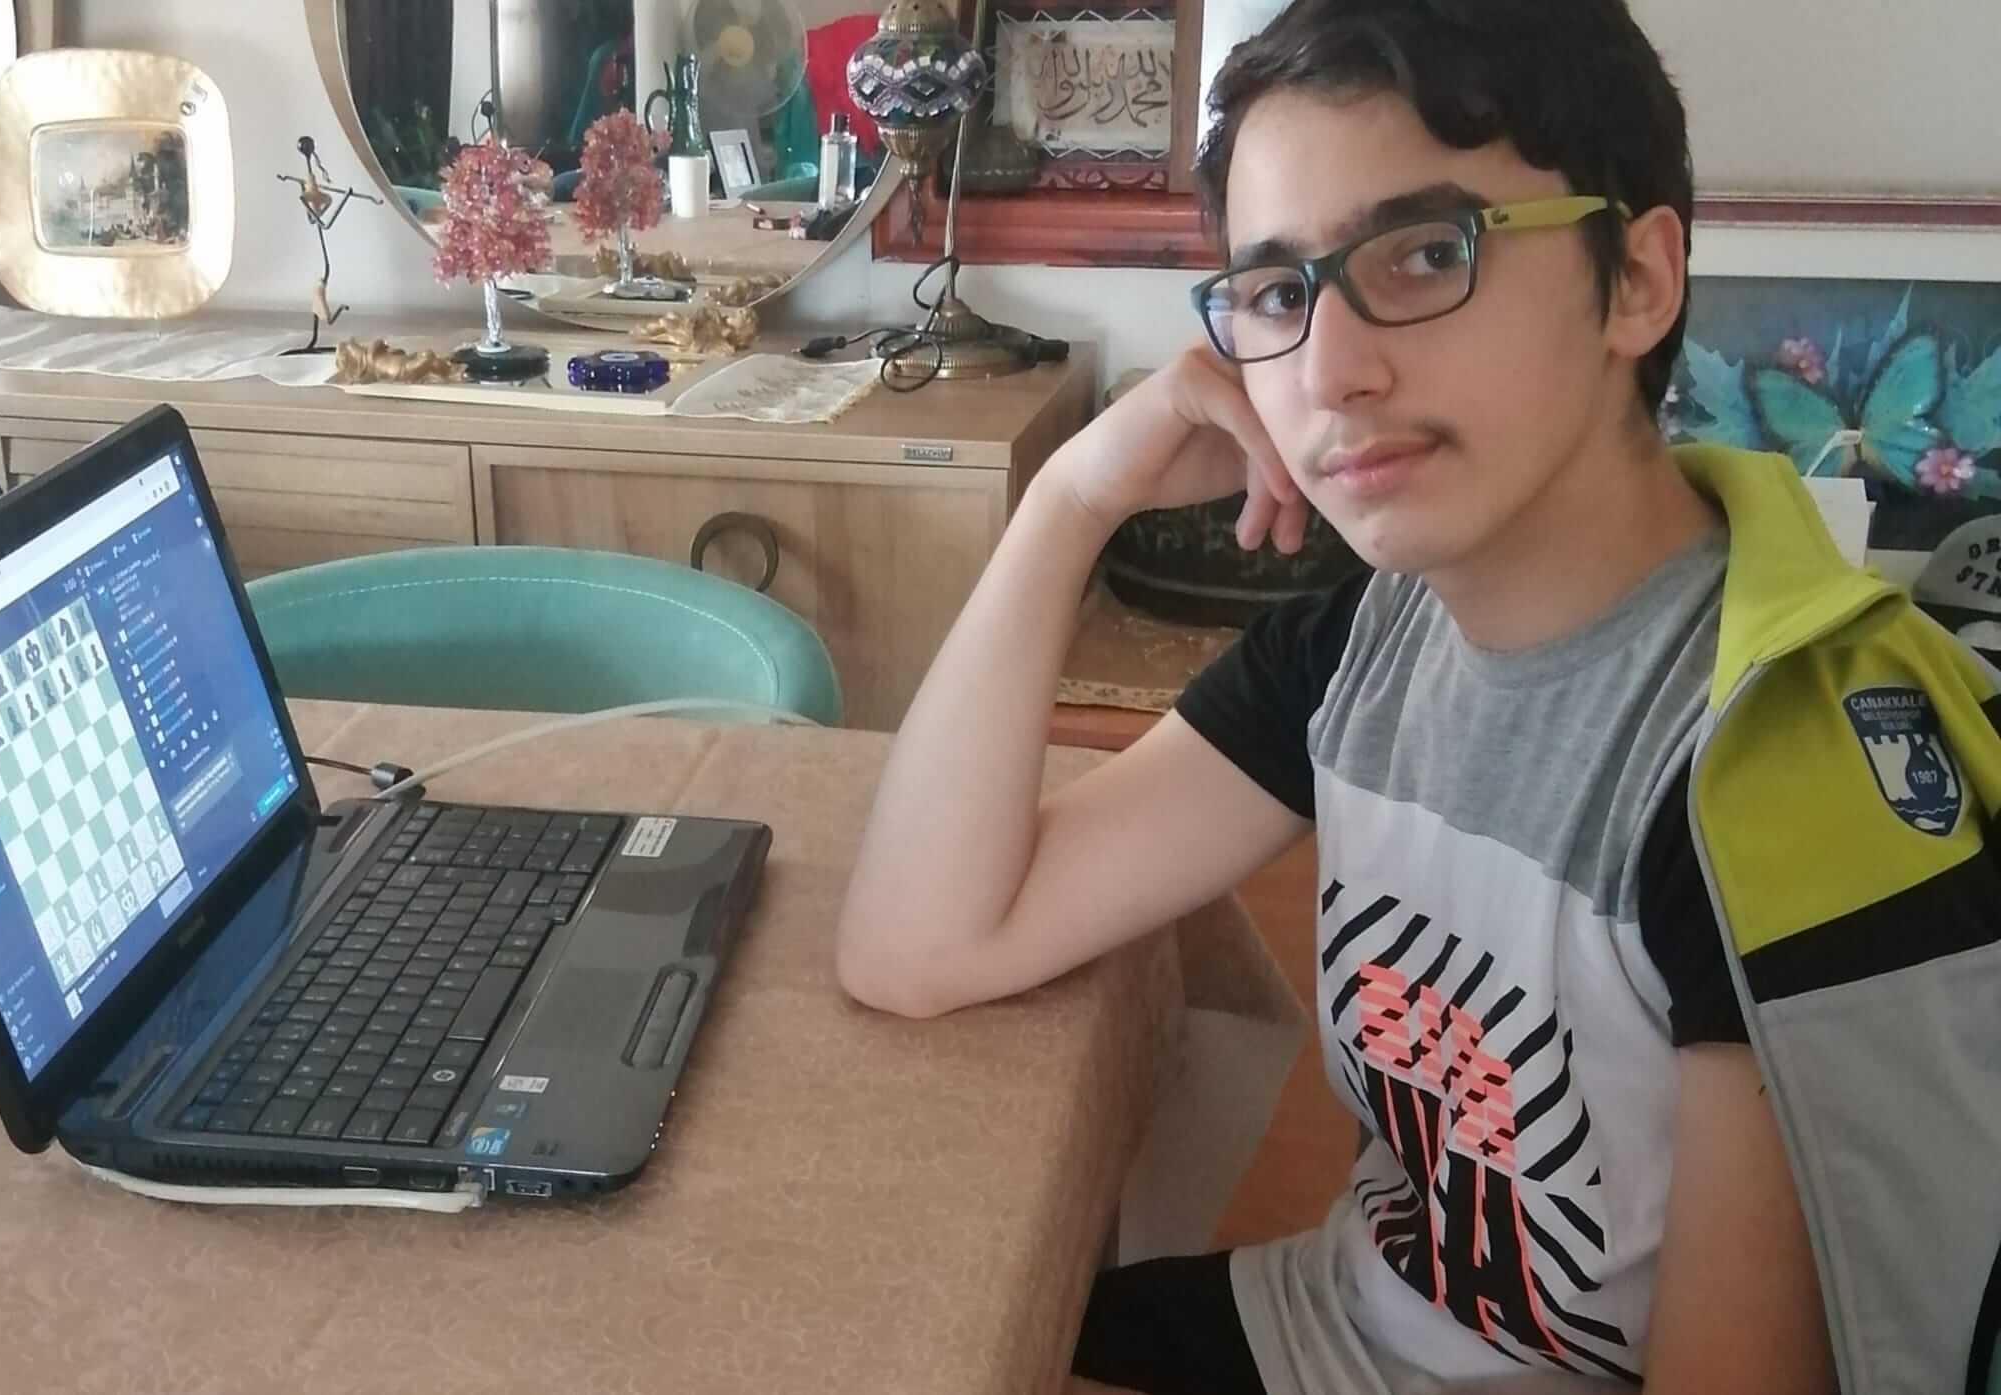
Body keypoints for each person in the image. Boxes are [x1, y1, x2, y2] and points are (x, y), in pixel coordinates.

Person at [832, 1, 2001, 1392]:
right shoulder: (1370, 646)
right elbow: (921, 948)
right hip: (1340, 1329)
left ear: (1636, 280)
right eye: (1279, 294)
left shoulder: (1770, 771)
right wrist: (1074, 499)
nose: (1331, 373)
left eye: (1430, 253)